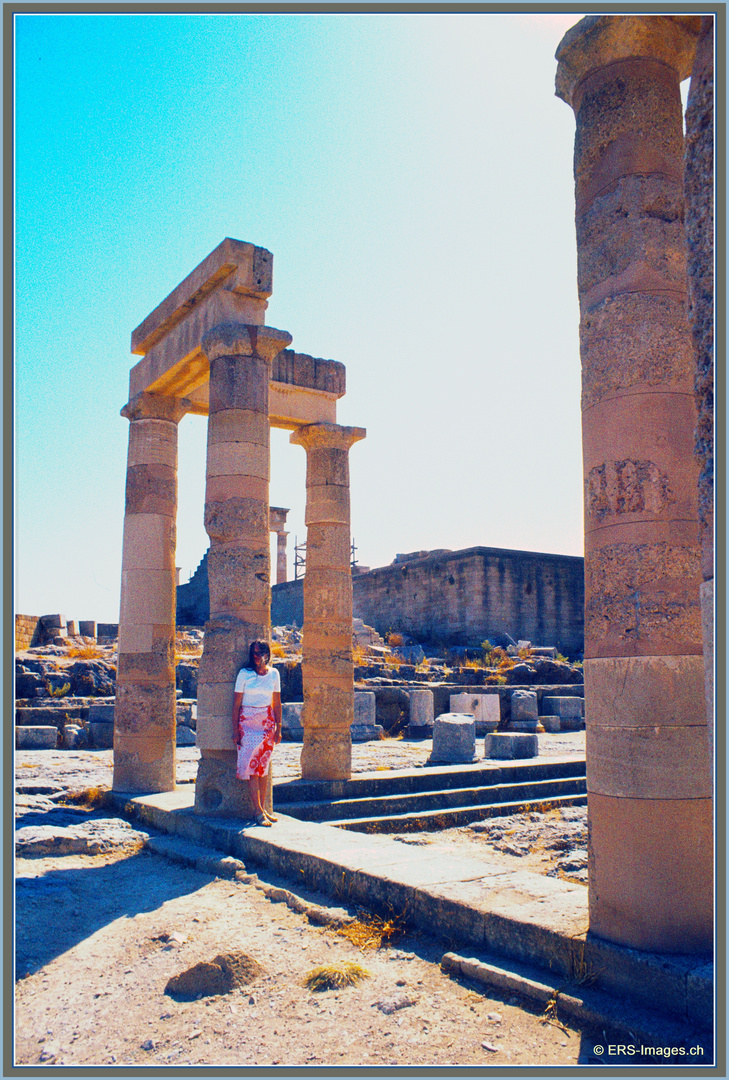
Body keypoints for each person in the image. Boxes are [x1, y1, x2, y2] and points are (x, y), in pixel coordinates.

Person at [231, 640, 282, 826]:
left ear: (267, 654)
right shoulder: (244, 674)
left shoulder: (274, 674)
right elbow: (236, 704)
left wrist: (279, 727)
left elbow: (276, 703)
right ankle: (257, 812)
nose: (256, 655)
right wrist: (235, 730)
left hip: (267, 722)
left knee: (264, 768)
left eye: (259, 651)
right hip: (248, 722)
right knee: (252, 768)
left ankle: (264, 809)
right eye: (253, 651)